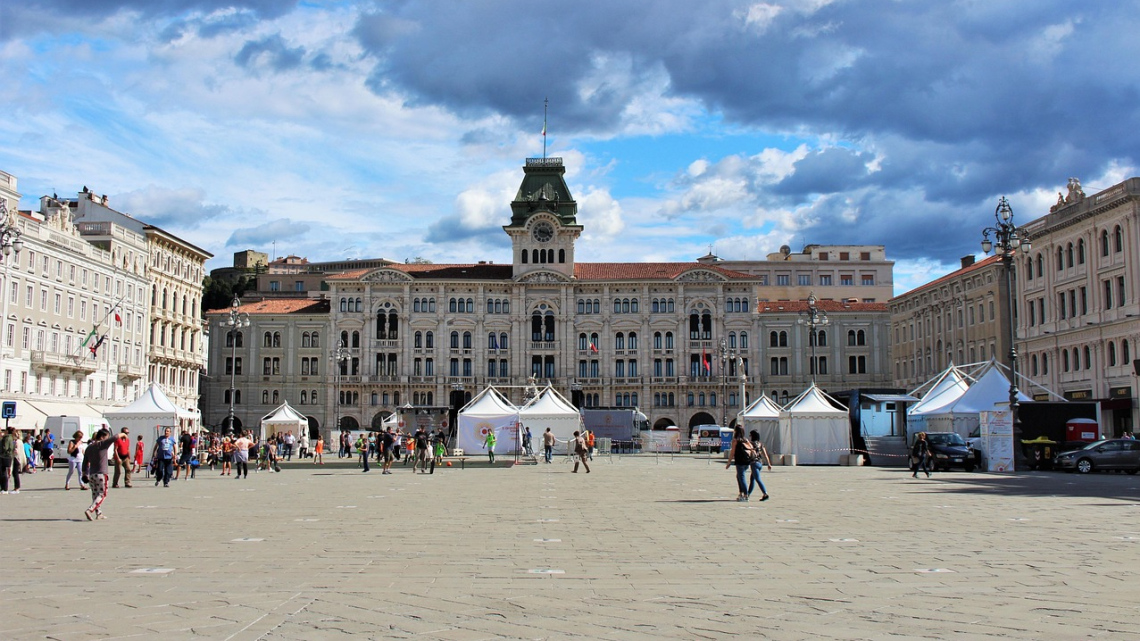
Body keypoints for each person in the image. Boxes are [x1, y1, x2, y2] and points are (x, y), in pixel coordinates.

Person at [82, 428, 118, 520]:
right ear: (102, 437)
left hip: (92, 474)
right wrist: (124, 434)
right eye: (106, 437)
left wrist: (84, 474)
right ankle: (90, 510)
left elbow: (85, 462)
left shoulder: (89, 447)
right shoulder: (102, 444)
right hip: (101, 473)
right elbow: (115, 437)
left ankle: (99, 513)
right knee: (102, 494)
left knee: (95, 494)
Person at [725, 426, 753, 501]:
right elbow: (751, 448)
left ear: (736, 431)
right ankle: (741, 493)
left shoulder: (735, 440)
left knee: (741, 477)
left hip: (740, 461)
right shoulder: (746, 440)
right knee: (739, 476)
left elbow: (732, 452)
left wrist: (729, 462)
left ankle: (745, 494)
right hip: (747, 461)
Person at [747, 430, 772, 501]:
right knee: (752, 479)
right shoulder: (760, 444)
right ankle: (748, 494)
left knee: (757, 479)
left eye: (750, 435)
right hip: (760, 463)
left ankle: (765, 493)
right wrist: (769, 464)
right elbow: (765, 454)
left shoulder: (751, 444)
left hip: (754, 463)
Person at [1, 425, 22, 493]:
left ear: (7, 431)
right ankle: (5, 488)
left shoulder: (7, 438)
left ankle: (5, 489)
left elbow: (5, 448)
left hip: (5, 456)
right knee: (7, 472)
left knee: (4, 472)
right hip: (10, 456)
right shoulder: (12, 438)